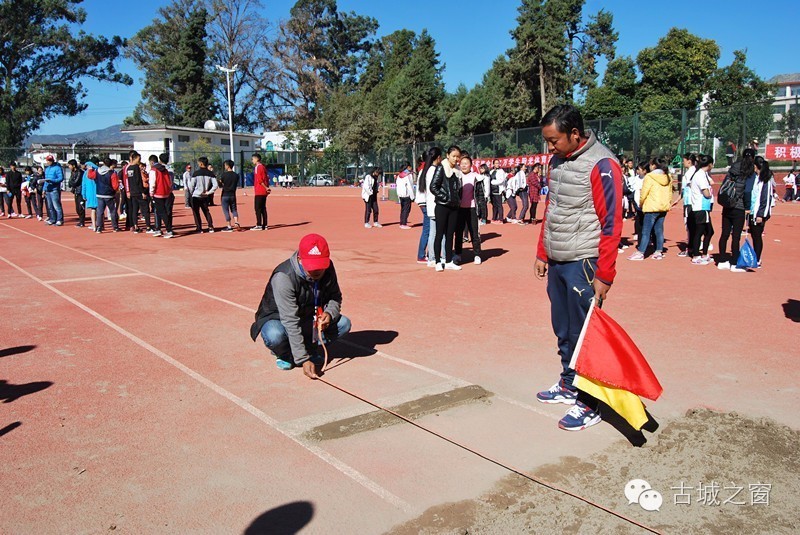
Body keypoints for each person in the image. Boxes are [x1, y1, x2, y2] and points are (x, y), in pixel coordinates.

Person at [533, 104, 623, 432]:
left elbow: (612, 222)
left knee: (583, 332)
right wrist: (543, 252)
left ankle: (589, 401)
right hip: (558, 259)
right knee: (562, 328)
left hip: (583, 261)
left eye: (554, 140)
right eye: (547, 141)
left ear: (575, 134)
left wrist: (605, 274)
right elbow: (552, 206)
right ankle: (569, 381)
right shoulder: (557, 161)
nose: (550, 147)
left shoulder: (602, 164)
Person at [250, 233, 351, 378]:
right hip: (278, 318)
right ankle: (284, 353)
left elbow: (335, 297)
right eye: (312, 267)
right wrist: (303, 359)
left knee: (343, 324)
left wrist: (329, 313)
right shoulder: (284, 277)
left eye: (320, 267)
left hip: (308, 315)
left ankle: (310, 349)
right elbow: (290, 320)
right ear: (300, 259)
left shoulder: (329, 268)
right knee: (275, 335)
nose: (316, 271)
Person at [717, 148, 755, 271]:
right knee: (736, 236)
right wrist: (748, 207)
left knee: (725, 234)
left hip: (727, 205)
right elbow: (747, 191)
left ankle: (722, 260)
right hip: (739, 206)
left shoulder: (733, 168)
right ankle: (734, 262)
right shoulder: (750, 171)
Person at [627, 157, 672, 261]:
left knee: (646, 231)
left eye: (651, 164)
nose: (650, 166)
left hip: (651, 207)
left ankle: (641, 252)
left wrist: (641, 203)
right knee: (659, 230)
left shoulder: (649, 177)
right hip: (663, 207)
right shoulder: (668, 177)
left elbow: (644, 192)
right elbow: (670, 193)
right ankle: (658, 251)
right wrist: (667, 204)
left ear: (654, 166)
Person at [430, 145, 462, 271]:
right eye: (453, 156)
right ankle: (438, 261)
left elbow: (459, 189)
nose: (456, 159)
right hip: (442, 206)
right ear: (447, 155)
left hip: (454, 207)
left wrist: (457, 200)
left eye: (457, 156)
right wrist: (444, 197)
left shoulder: (457, 170)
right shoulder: (441, 168)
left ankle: (448, 261)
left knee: (450, 235)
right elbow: (433, 187)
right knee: (439, 234)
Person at [454, 154, 483, 265]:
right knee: (459, 233)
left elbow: (480, 195)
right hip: (459, 209)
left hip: (472, 209)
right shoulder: (457, 176)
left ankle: (477, 255)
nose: (464, 165)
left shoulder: (476, 177)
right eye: (462, 164)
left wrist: (482, 212)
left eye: (466, 163)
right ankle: (458, 254)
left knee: (474, 233)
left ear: (471, 165)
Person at [416, 147, 441, 264]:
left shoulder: (423, 169)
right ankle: (422, 255)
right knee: (428, 230)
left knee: (428, 229)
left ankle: (425, 254)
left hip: (423, 202)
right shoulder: (429, 170)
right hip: (426, 203)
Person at [688, 154, 715, 265]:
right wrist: (709, 194)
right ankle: (696, 255)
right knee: (700, 232)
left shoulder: (702, 174)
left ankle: (703, 254)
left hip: (703, 207)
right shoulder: (700, 175)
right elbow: (706, 192)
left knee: (709, 231)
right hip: (700, 207)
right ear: (709, 164)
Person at [750, 156, 774, 267]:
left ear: (756, 166)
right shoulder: (757, 178)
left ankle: (758, 259)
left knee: (757, 235)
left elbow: (765, 199)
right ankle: (755, 256)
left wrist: (761, 214)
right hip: (753, 212)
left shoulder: (766, 181)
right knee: (754, 236)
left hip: (759, 213)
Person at [86, 158, 120, 233]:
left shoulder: (97, 171)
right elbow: (115, 186)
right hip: (109, 195)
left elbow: (90, 176)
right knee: (113, 211)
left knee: (100, 212)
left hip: (99, 194)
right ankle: (115, 227)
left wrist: (90, 170)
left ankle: (99, 227)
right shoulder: (112, 173)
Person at [187, 157, 217, 233]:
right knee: (206, 211)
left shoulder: (196, 173)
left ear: (201, 163)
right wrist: (209, 192)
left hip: (196, 195)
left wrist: (191, 192)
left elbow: (191, 186)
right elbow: (215, 185)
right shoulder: (211, 174)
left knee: (196, 212)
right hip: (205, 196)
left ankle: (199, 228)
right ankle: (210, 226)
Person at [149, 153, 175, 238]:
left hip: (158, 193)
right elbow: (170, 182)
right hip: (166, 193)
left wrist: (151, 192)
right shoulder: (166, 170)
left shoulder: (154, 170)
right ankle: (165, 229)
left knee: (160, 212)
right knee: (165, 212)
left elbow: (152, 182)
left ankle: (167, 229)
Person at [126, 151, 153, 233]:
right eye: (139, 158)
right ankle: (148, 227)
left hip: (133, 192)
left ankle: (136, 226)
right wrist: (142, 192)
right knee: (145, 209)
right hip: (138, 192)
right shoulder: (136, 168)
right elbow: (138, 181)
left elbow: (130, 180)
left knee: (135, 209)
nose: (139, 160)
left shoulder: (129, 168)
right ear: (135, 158)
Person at [678, 153, 698, 257]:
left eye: (684, 160)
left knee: (690, 225)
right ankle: (692, 246)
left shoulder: (692, 172)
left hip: (690, 202)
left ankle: (691, 248)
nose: (683, 162)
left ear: (689, 161)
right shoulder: (690, 172)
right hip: (688, 201)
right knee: (690, 225)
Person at [219, 159, 241, 232]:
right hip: (233, 194)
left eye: (225, 165)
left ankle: (229, 226)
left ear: (228, 166)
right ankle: (236, 222)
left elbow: (220, 183)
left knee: (226, 210)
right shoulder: (236, 175)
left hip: (225, 194)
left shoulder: (224, 175)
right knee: (234, 209)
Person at [42, 155, 64, 226]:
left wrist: (52, 181)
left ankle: (60, 219)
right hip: (48, 190)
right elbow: (45, 180)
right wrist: (44, 189)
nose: (48, 162)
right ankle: (52, 219)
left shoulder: (58, 168)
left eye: (50, 160)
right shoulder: (47, 169)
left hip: (54, 190)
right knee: (50, 206)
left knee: (56, 206)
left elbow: (61, 178)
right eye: (48, 160)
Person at [251, 153, 269, 231]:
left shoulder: (258, 167)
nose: (252, 161)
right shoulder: (263, 167)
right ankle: (265, 225)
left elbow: (259, 180)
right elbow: (266, 178)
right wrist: (267, 188)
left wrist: (265, 187)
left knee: (257, 208)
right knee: (263, 208)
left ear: (256, 159)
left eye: (252, 159)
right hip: (263, 190)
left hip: (259, 190)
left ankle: (259, 224)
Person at [66, 159, 85, 227]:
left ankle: (82, 222)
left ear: (74, 165)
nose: (69, 167)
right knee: (77, 208)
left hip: (80, 191)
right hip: (76, 191)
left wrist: (72, 183)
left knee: (81, 207)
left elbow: (76, 182)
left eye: (70, 165)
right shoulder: (73, 172)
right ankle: (81, 220)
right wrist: (71, 184)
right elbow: (70, 181)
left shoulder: (79, 172)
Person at [395, 163, 414, 229]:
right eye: (410, 167)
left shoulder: (399, 175)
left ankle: (402, 223)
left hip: (400, 194)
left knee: (403, 209)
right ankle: (403, 223)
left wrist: (398, 195)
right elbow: (410, 186)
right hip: (406, 194)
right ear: (408, 167)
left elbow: (397, 185)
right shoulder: (408, 175)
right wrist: (412, 196)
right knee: (406, 209)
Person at [81, 159, 98, 231]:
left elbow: (84, 185)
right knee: (100, 210)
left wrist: (83, 194)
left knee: (93, 210)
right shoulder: (97, 171)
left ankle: (94, 225)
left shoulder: (85, 174)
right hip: (98, 192)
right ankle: (100, 224)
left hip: (90, 193)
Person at [489, 159, 506, 224]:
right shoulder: (491, 171)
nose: (497, 164)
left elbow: (501, 180)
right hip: (492, 191)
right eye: (496, 163)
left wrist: (493, 182)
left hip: (498, 190)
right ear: (493, 164)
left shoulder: (501, 171)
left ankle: (501, 219)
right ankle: (494, 218)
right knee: (494, 205)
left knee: (499, 205)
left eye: (498, 163)